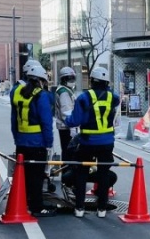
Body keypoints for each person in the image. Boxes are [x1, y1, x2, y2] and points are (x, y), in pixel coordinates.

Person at [64, 66, 120, 218]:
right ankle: (102, 209)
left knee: (81, 173)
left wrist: (66, 120)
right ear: (106, 82)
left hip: (87, 141)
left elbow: (76, 120)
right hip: (107, 141)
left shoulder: (83, 97)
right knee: (103, 173)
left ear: (92, 81)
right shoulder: (113, 97)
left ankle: (80, 208)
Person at [10, 63, 57, 217]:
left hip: (22, 142)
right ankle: (37, 207)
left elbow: (13, 120)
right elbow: (46, 122)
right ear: (41, 80)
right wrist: (49, 143)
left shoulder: (16, 92)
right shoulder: (40, 95)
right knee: (37, 177)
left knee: (24, 175)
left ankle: (24, 202)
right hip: (37, 143)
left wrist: (17, 138)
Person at [54, 66, 78, 156]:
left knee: (67, 151)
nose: (72, 81)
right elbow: (66, 111)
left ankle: (67, 169)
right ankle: (67, 170)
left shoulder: (67, 90)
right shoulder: (63, 92)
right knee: (69, 152)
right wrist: (72, 128)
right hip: (66, 127)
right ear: (63, 79)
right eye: (69, 78)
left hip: (66, 126)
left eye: (73, 78)